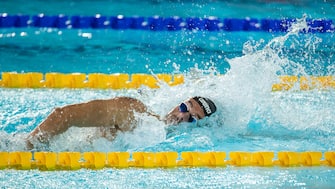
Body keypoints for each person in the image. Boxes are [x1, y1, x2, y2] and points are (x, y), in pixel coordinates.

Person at [26, 96, 217, 149]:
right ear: (178, 102)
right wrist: (26, 148)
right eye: (185, 107)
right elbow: (63, 115)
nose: (182, 116)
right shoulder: (133, 113)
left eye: (192, 118)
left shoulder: (166, 140)